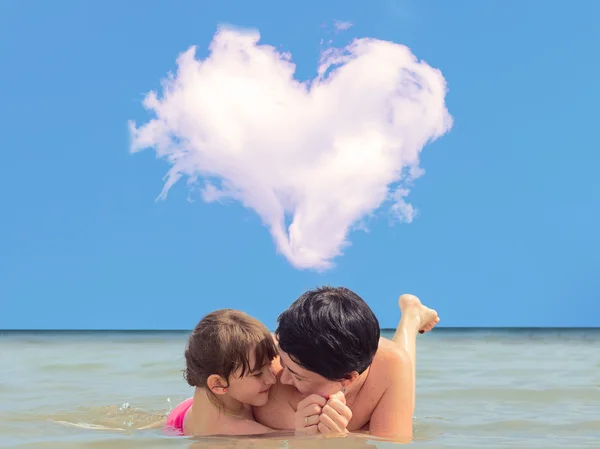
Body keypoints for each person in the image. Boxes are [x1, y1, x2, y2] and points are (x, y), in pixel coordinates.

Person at [252, 287, 439, 442]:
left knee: (399, 368)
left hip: (383, 359)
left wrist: (341, 439)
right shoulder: (261, 361)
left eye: (297, 375)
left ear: (347, 378)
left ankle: (411, 316)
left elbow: (394, 443)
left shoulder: (390, 364)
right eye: (283, 362)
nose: (281, 379)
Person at [165, 309, 279, 436]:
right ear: (218, 383)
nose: (272, 379)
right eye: (257, 374)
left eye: (270, 364)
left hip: (183, 414)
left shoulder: (216, 377)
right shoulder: (242, 432)